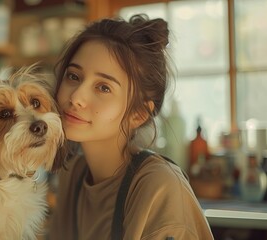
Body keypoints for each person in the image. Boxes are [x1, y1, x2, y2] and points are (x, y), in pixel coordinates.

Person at [48, 14, 214, 240]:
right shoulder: (73, 175)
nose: (76, 96)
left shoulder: (159, 187)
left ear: (139, 114)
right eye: (73, 76)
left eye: (103, 88)